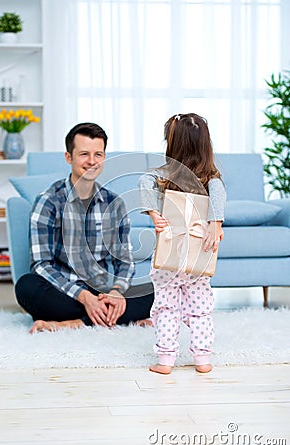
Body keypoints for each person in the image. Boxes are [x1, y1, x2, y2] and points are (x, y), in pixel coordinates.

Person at [15, 122, 154, 333]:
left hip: (103, 290)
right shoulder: (48, 202)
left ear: (104, 157)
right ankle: (116, 318)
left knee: (158, 289)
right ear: (68, 157)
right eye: (84, 154)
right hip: (65, 292)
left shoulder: (115, 204)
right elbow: (41, 264)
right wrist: (84, 297)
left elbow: (124, 261)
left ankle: (73, 324)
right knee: (26, 286)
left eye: (98, 154)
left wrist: (116, 292)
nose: (91, 161)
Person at [139, 113, 226, 374]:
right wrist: (215, 223)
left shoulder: (162, 178)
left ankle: (165, 360)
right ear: (206, 145)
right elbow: (219, 194)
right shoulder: (212, 180)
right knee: (201, 309)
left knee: (166, 307)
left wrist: (154, 213)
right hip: (199, 257)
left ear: (171, 145)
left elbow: (143, 181)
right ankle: (202, 359)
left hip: (169, 258)